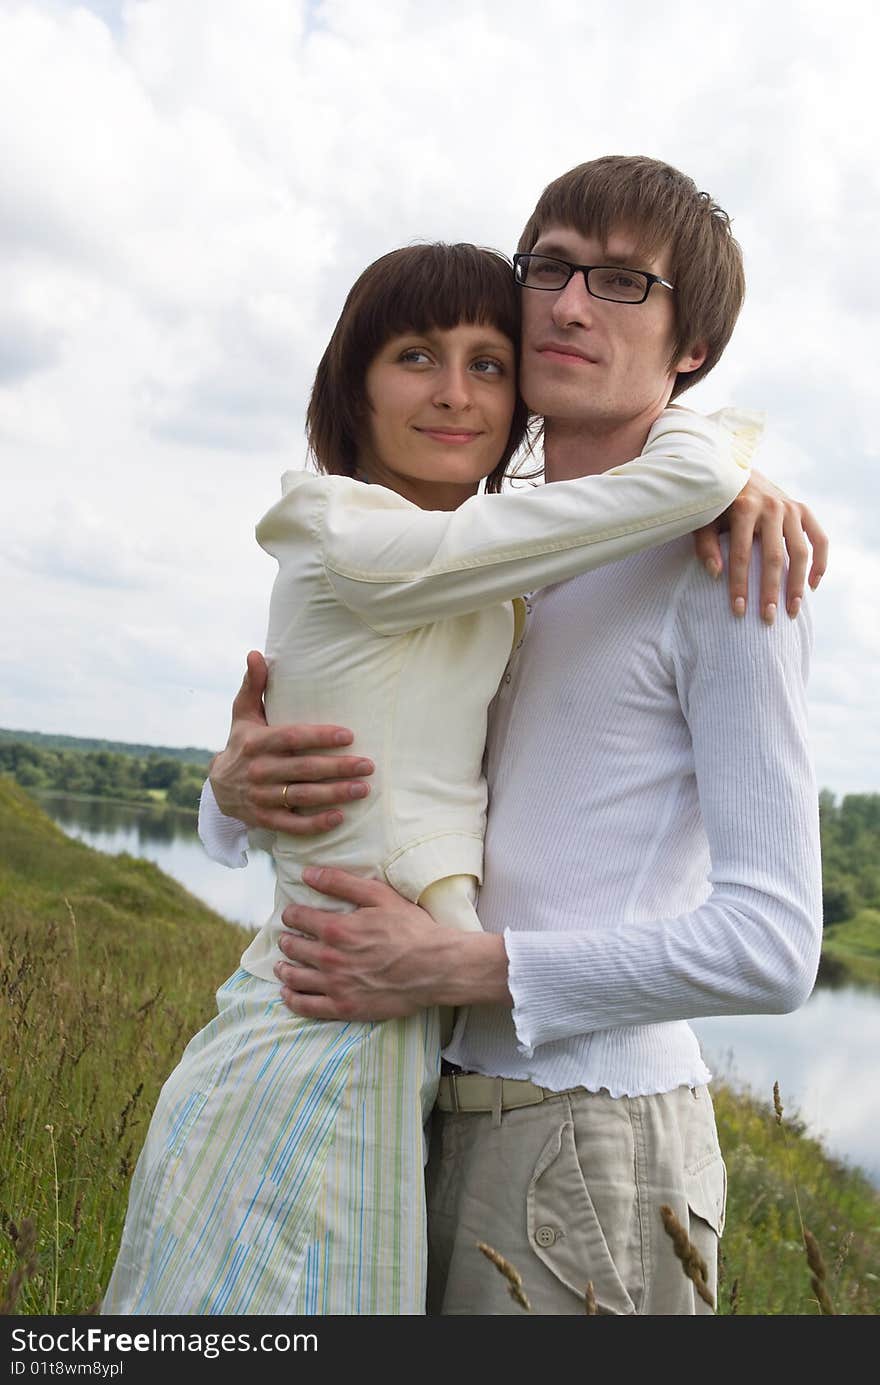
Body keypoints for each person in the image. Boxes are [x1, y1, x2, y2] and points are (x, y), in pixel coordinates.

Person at [203, 157, 826, 1316]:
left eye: (625, 282)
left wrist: (459, 965)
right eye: (551, 266)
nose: (571, 303)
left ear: (691, 349)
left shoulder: (726, 567)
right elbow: (400, 760)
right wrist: (231, 789)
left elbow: (773, 943)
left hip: (590, 1137)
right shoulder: (484, 548)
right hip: (428, 1099)